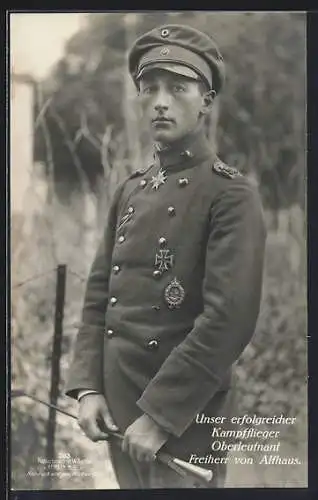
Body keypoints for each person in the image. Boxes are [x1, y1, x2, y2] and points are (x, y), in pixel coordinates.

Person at [65, 23, 267, 489]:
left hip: (184, 418)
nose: (160, 100)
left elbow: (228, 319)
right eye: (149, 87)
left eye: (177, 88)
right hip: (117, 410)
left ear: (206, 101)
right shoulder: (130, 190)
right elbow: (100, 297)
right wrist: (89, 388)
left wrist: (161, 415)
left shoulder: (230, 194)